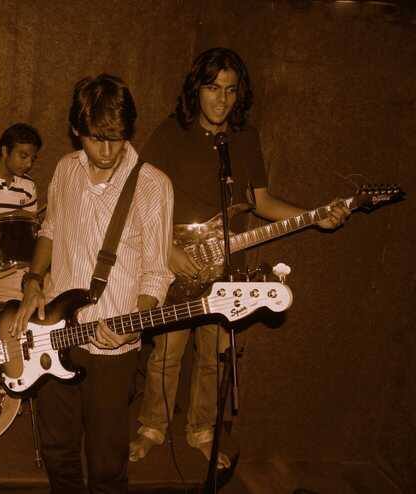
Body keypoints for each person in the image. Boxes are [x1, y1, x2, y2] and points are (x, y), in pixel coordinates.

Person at [129, 47, 350, 468]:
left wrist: (314, 216)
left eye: (230, 90)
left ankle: (201, 430)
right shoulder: (171, 133)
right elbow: (137, 199)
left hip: (227, 266)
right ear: (196, 89)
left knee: (215, 354)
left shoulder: (245, 139)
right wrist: (166, 250)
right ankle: (152, 427)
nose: (222, 99)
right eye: (213, 88)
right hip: (176, 259)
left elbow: (261, 201)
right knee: (167, 353)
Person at [11, 74, 174, 493]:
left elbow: (157, 272)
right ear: (76, 130)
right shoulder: (66, 169)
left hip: (111, 348)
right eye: (96, 139)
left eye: (116, 139)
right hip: (52, 333)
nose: (106, 151)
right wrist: (33, 281)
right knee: (57, 450)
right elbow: (50, 229)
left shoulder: (152, 184)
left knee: (106, 464)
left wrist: (134, 324)